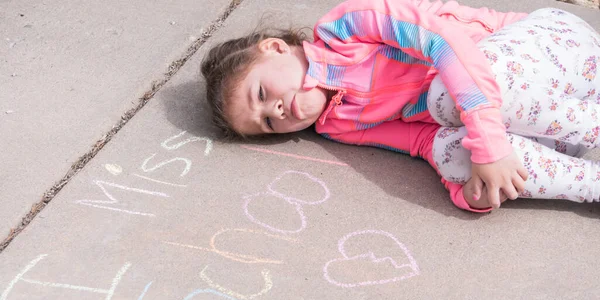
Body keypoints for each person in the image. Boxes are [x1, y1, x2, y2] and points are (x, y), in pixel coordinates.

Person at [201, 0, 600, 212]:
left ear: (273, 49)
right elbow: (423, 142)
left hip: (557, 48)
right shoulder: (337, 125)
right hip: (550, 130)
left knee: (444, 97)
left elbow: (446, 44)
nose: (276, 111)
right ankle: (591, 185)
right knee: (451, 153)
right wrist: (466, 190)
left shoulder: (347, 25)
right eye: (267, 123)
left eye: (260, 95)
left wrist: (491, 146)